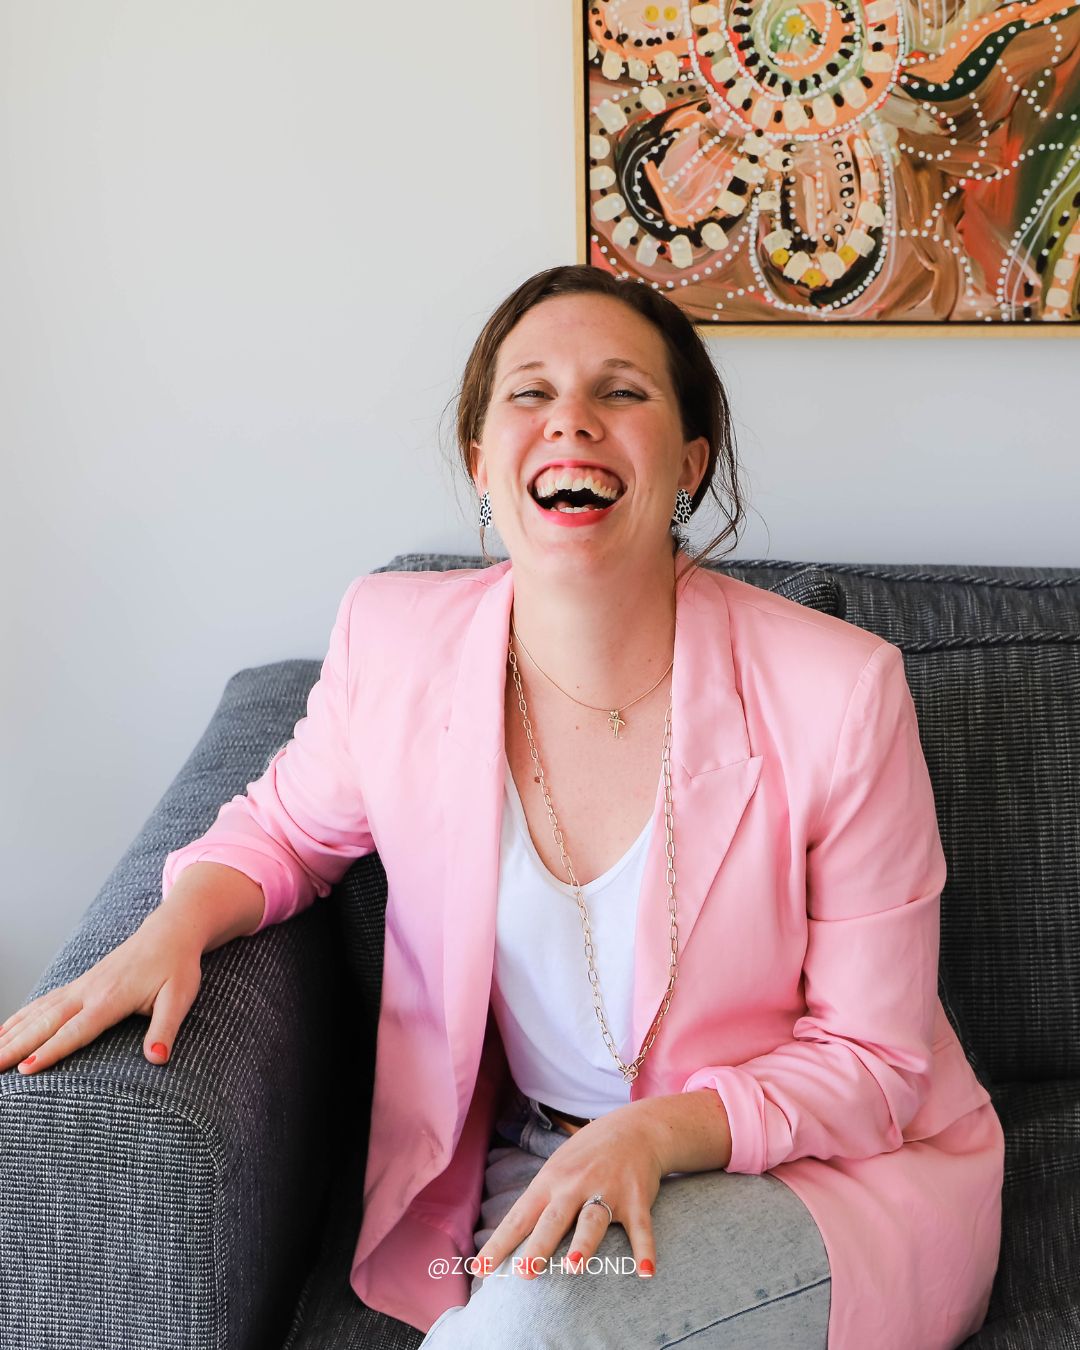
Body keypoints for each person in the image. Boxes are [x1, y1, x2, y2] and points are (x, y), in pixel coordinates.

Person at [0, 265, 1004, 1349]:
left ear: (688, 464)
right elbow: (284, 829)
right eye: (531, 392)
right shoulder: (396, 644)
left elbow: (874, 1062)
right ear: (482, 460)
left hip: (816, 1176)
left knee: (535, 1327)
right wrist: (176, 925)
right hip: (547, 1164)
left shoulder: (840, 692)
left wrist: (655, 1134)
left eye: (621, 391)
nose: (571, 419)